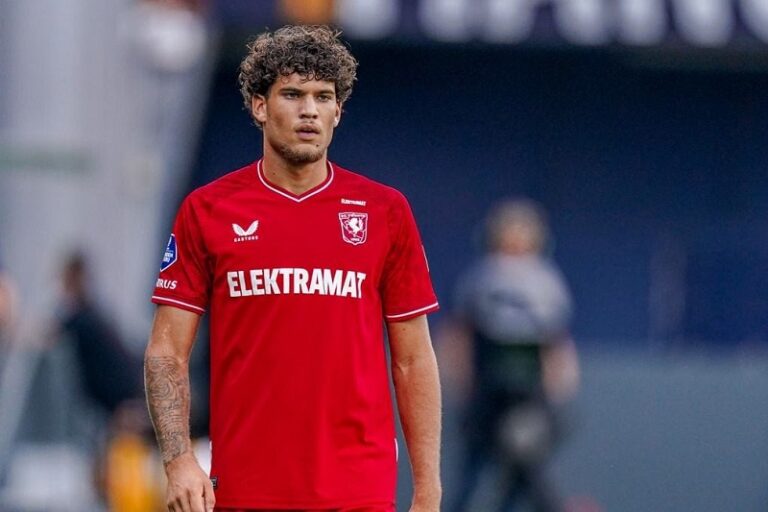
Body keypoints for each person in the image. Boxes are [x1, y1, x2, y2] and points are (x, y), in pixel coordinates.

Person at [144, 25, 442, 512]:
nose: (309, 110)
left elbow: (413, 361)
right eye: (293, 94)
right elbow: (166, 352)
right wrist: (178, 461)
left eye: (323, 97)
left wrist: (428, 491)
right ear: (259, 106)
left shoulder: (385, 212)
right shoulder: (207, 210)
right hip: (245, 490)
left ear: (338, 112)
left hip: (359, 493)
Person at [447, 199, 579, 512]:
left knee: (525, 465)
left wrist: (558, 385)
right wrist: (460, 378)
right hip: (487, 390)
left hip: (528, 393)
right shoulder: (480, 278)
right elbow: (461, 333)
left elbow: (556, 341)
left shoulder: (546, 281)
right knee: (473, 467)